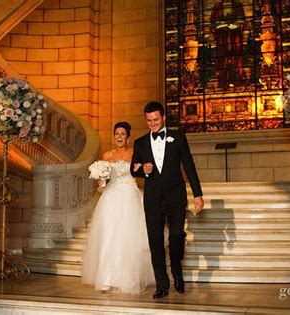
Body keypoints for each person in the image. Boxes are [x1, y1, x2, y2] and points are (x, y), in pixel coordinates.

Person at [130, 101, 204, 299]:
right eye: (149, 121)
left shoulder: (178, 137)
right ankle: (162, 284)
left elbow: (189, 166)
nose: (153, 124)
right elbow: (133, 168)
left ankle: (177, 273)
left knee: (176, 236)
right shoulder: (140, 143)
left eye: (156, 119)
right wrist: (142, 170)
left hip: (176, 197)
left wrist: (198, 194)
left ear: (163, 118)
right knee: (155, 243)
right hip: (153, 200)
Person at [82, 121, 155, 294]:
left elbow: (143, 173)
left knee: (128, 238)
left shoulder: (135, 153)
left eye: (123, 134)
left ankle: (127, 277)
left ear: (128, 137)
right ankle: (107, 277)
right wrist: (101, 184)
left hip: (129, 196)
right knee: (109, 236)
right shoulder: (107, 155)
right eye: (117, 134)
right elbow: (102, 183)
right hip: (110, 197)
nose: (119, 137)